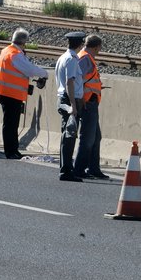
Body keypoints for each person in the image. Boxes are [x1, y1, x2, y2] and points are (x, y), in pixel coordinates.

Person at [0, 28, 48, 160]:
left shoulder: (7, 50)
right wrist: (44, 73)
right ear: (24, 42)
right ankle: (10, 151)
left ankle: (13, 149)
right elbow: (29, 70)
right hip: (11, 94)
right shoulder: (15, 54)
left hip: (6, 92)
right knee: (11, 124)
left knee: (12, 124)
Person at [74, 34, 110, 179]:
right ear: (96, 47)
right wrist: (82, 97)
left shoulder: (85, 57)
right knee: (88, 138)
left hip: (90, 101)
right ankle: (80, 169)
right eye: (99, 48)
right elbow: (77, 79)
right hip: (87, 102)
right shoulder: (85, 59)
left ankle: (93, 168)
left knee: (95, 137)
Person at [55, 31, 86, 182]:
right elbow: (70, 82)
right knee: (70, 136)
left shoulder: (63, 57)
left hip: (63, 98)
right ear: (80, 44)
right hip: (69, 100)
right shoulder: (72, 59)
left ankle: (65, 168)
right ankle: (66, 170)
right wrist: (73, 105)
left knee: (66, 135)